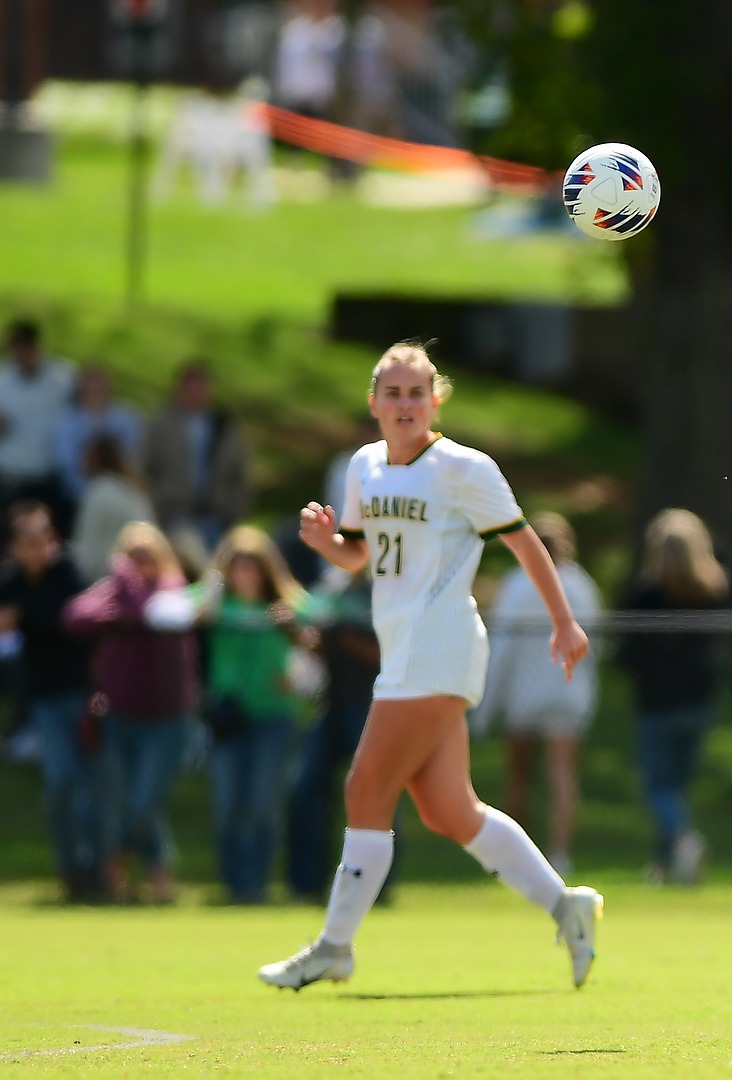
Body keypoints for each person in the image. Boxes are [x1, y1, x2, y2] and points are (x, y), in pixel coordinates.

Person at [257, 343, 601, 990]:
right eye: (393, 392)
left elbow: (522, 540)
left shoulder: (461, 467)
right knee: (450, 811)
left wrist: (563, 620)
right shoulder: (365, 466)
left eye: (417, 392)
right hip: (405, 650)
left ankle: (334, 945)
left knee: (364, 790)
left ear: (436, 400)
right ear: (374, 403)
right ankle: (567, 905)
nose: (405, 403)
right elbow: (361, 558)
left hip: (439, 646)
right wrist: (326, 544)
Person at [61, 521, 200, 904]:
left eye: (147, 555)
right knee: (132, 799)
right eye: (131, 556)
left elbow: (152, 614)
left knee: (144, 799)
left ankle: (115, 859)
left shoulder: (174, 592)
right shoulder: (117, 595)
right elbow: (74, 618)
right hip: (120, 715)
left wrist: (126, 588)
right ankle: (160, 879)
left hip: (168, 718)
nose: (139, 564)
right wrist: (121, 598)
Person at [473, 511, 603, 876]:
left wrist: (486, 708)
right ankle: (558, 854)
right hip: (567, 690)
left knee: (520, 776)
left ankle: (519, 859)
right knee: (561, 773)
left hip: (525, 696)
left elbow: (501, 649)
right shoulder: (583, 585)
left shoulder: (517, 584)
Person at [199, 525, 317, 904]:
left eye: (253, 568)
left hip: (274, 716)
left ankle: (258, 884)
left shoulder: (287, 608)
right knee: (228, 803)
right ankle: (235, 885)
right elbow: (173, 608)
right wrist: (212, 595)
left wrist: (296, 639)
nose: (246, 576)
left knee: (263, 803)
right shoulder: (215, 608)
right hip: (229, 718)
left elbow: (323, 624)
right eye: (238, 568)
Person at [616, 508, 728, 885]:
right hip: (698, 704)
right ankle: (663, 867)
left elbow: (626, 654)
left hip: (657, 707)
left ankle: (682, 842)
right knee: (676, 790)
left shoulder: (644, 595)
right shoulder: (712, 591)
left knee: (659, 790)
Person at [0, 502, 100, 901]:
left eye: (44, 536)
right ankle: (71, 869)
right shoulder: (13, 581)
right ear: (14, 546)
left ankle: (100, 869)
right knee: (60, 783)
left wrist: (21, 614)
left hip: (85, 696)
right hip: (44, 699)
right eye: (28, 540)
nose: (38, 546)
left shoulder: (69, 572)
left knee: (92, 786)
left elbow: (69, 616)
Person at [286, 568, 385, 902]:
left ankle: (375, 887)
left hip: (373, 709)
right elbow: (316, 643)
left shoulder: (385, 587)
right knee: (306, 792)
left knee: (375, 796)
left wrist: (346, 638)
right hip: (330, 707)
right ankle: (306, 885)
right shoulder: (330, 590)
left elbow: (389, 655)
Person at [145, 361, 251, 558]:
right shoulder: (163, 425)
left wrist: (235, 508)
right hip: (177, 514)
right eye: (190, 388)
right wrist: (159, 506)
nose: (195, 394)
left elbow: (239, 472)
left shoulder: (224, 426)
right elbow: (146, 468)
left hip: (217, 514)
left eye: (200, 388)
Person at [0, 319, 79, 541]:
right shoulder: (3, 381)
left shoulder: (64, 378)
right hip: (11, 477)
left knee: (53, 540)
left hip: (49, 476)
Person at [69, 435, 157, 582]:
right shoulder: (134, 489)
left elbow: (87, 548)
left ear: (95, 458)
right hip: (141, 574)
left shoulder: (99, 490)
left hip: (110, 580)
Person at [53, 365, 145, 504]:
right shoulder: (68, 423)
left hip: (123, 494)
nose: (95, 392)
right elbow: (66, 463)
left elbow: (134, 454)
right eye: (91, 388)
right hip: (79, 496)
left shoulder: (127, 418)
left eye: (99, 388)